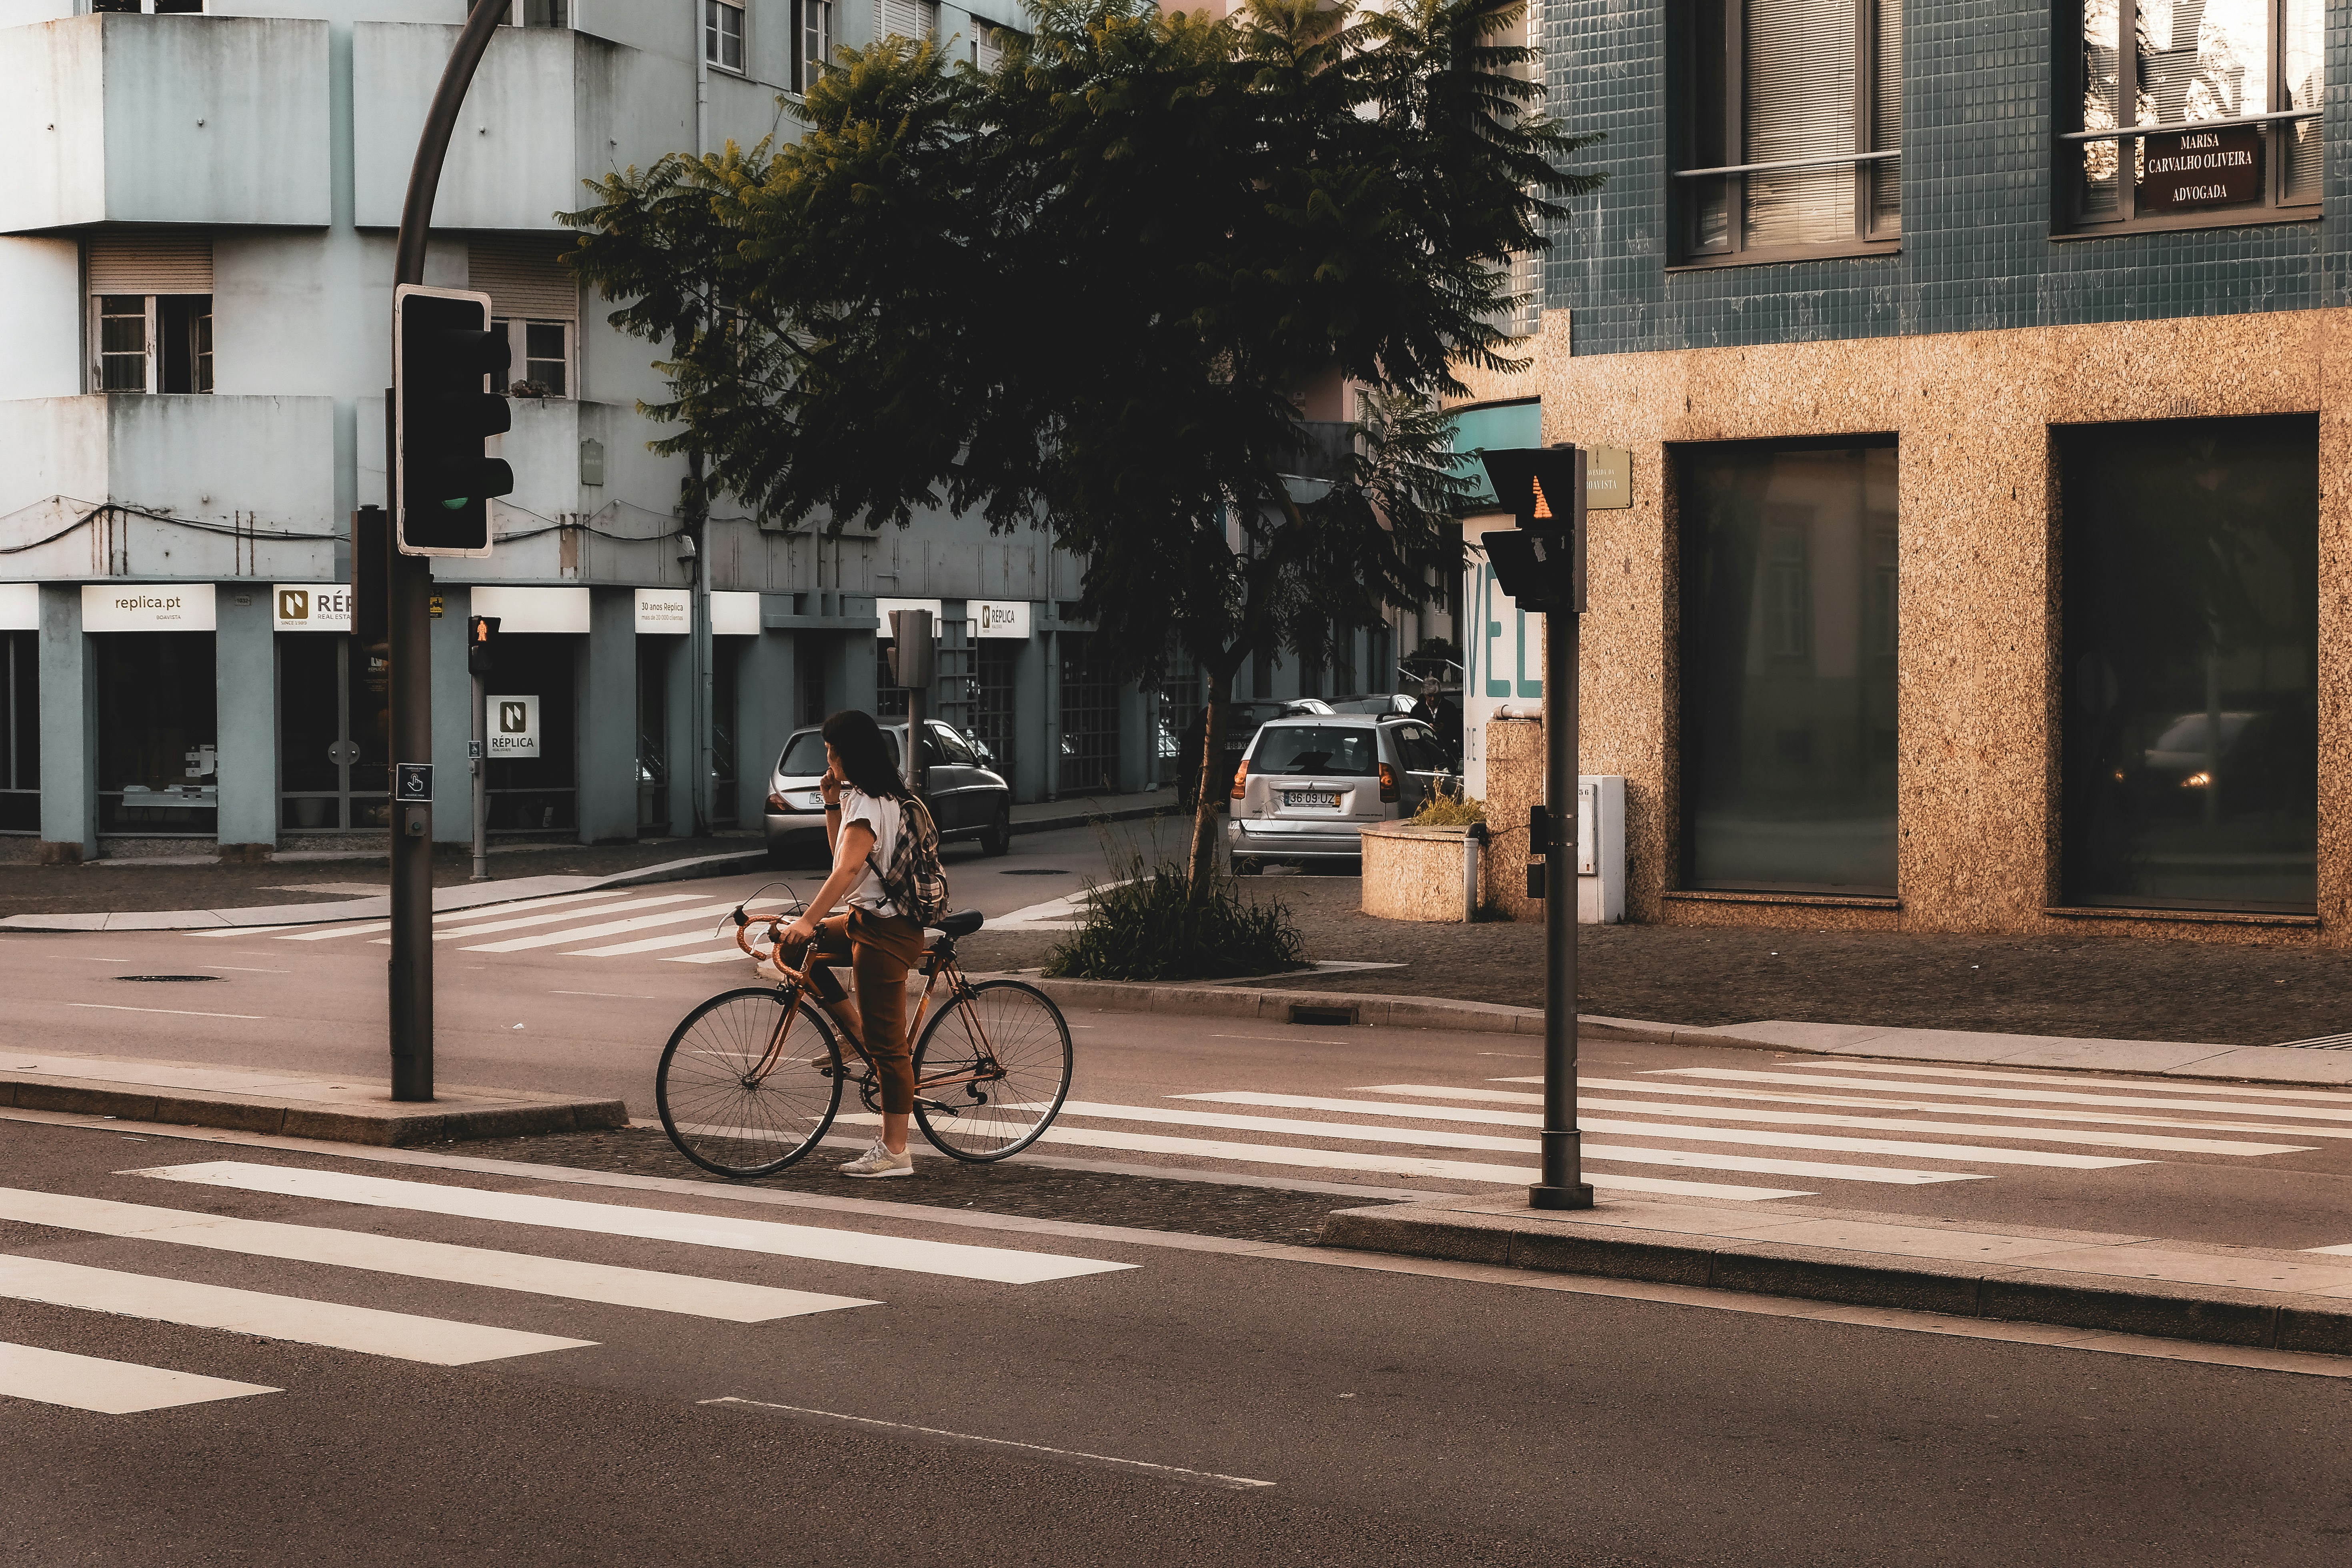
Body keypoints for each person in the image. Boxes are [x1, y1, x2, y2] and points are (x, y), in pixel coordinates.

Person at [774, 709, 931, 1178]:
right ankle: (852, 1034)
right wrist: (830, 804)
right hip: (867, 920)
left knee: (889, 1050)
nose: (827, 763)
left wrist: (807, 918)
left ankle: (896, 1151)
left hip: (886, 930)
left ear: (847, 754)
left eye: (829, 754)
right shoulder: (867, 797)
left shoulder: (870, 803)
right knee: (794, 951)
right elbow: (842, 860)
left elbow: (844, 874)